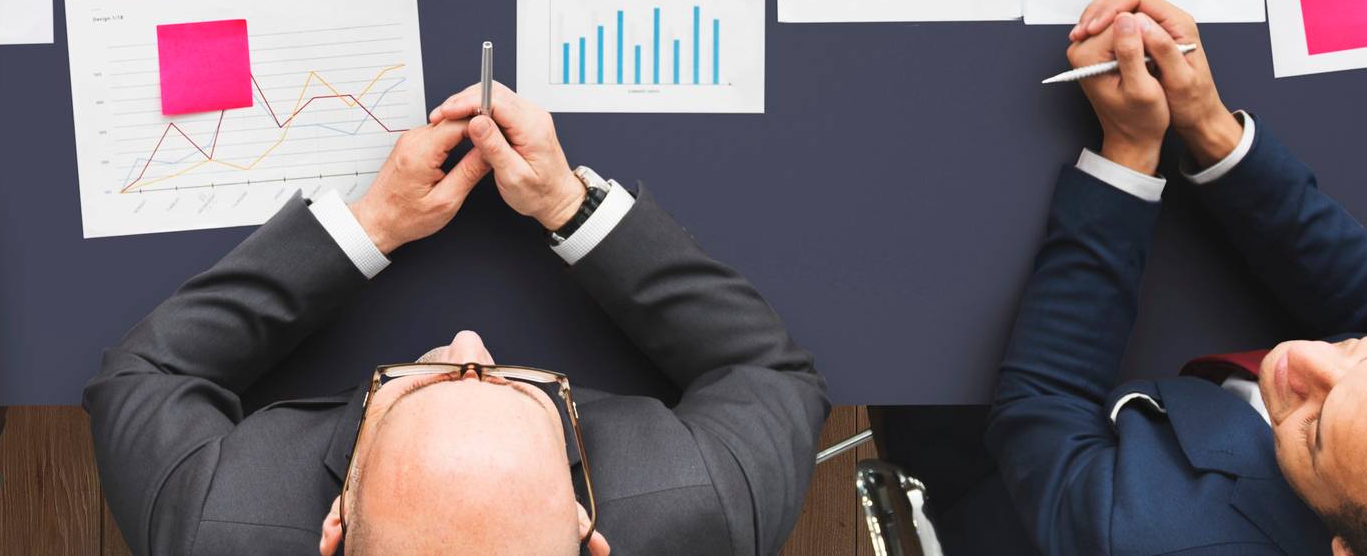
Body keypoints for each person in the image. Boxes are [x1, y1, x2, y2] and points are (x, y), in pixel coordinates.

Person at [86, 81, 829, 554]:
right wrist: (568, 205)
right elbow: (764, 371)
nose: (468, 339)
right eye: (517, 385)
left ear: (337, 519)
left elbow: (147, 377)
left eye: (419, 384)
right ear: (587, 527)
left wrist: (375, 223)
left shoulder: (221, 524)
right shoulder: (694, 508)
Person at [989, 0, 1367, 555]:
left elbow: (1043, 402)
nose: (1301, 354)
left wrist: (1129, 151)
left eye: (1317, 428)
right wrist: (1208, 126)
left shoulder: (1142, 535)